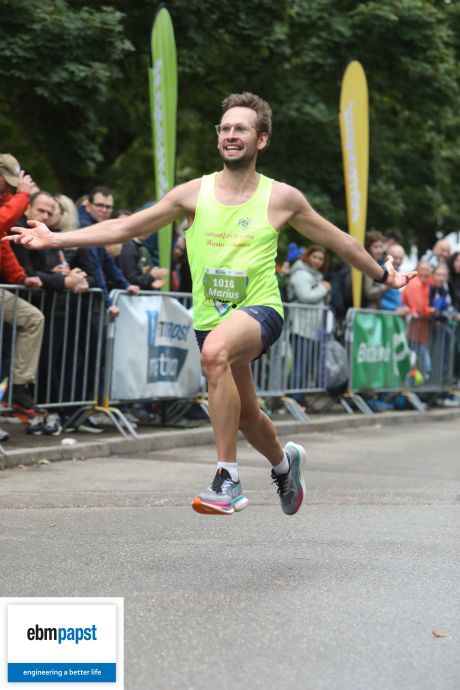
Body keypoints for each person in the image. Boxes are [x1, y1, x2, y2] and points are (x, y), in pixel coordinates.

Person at [5, 91, 416, 516]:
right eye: (225, 128)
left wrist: (384, 275)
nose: (231, 135)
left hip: (261, 310)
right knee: (246, 416)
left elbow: (341, 242)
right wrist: (56, 238)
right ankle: (284, 464)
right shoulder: (191, 194)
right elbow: (125, 227)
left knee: (215, 354)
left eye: (242, 129)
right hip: (210, 318)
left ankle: (227, 480)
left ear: (261, 140)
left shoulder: (281, 198)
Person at [286, 245, 331, 399]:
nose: (317, 261)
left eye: (321, 259)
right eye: (315, 257)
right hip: (300, 327)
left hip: (311, 328)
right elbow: (305, 296)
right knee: (300, 364)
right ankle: (295, 398)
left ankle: (300, 398)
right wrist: (323, 289)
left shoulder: (315, 275)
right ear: (307, 256)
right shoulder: (301, 274)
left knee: (306, 365)